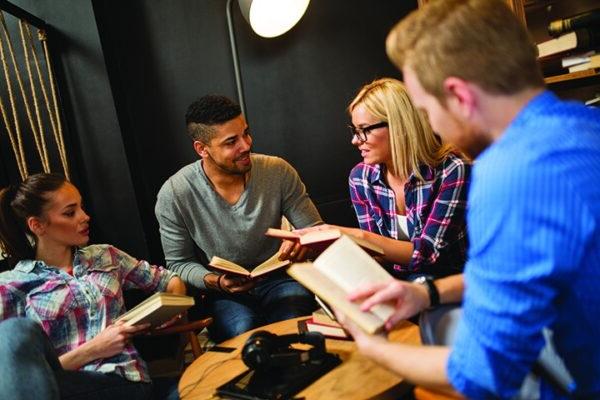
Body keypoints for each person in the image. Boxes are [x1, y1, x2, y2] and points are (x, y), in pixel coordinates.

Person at [335, 0, 600, 398]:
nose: (433, 126)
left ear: (459, 96)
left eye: (427, 110)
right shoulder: (586, 125)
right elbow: (527, 276)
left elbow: (481, 374)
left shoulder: (508, 173)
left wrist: (372, 346)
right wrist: (426, 293)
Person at [0, 173, 186, 400]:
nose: (85, 217)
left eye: (81, 207)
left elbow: (167, 279)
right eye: (70, 212)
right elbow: (23, 376)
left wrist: (174, 309)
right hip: (58, 386)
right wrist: (93, 349)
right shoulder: (11, 284)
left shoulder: (105, 256)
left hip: (121, 380)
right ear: (37, 225)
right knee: (14, 334)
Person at [155, 94, 322, 342]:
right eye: (231, 141)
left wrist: (304, 244)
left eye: (246, 133)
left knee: (290, 325)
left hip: (279, 279)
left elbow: (317, 231)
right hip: (225, 292)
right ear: (202, 149)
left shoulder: (277, 171)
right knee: (241, 334)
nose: (246, 145)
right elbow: (179, 263)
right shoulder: (174, 193)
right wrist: (217, 282)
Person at [311, 78, 470, 280]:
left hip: (451, 283)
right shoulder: (361, 178)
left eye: (364, 130)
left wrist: (355, 236)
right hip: (395, 281)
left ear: (399, 126)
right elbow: (377, 255)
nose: (355, 140)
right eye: (354, 130)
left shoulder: (452, 170)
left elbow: (430, 255)